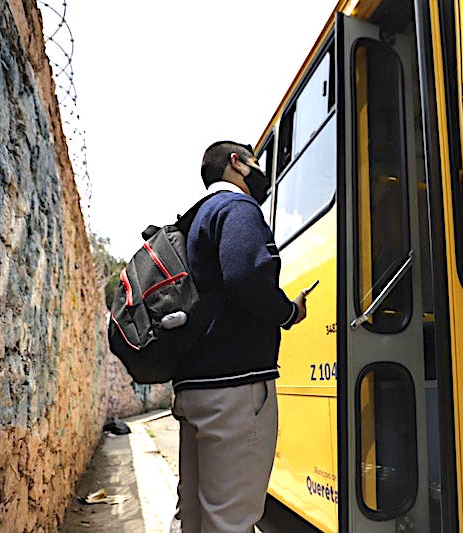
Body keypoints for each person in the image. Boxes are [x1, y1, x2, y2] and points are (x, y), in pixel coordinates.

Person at [171, 140, 308, 532]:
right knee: (230, 521)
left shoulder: (195, 220)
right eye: (255, 162)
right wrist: (289, 311)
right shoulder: (237, 208)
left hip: (194, 389)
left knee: (192, 518)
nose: (259, 170)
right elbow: (247, 277)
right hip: (234, 390)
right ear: (237, 163)